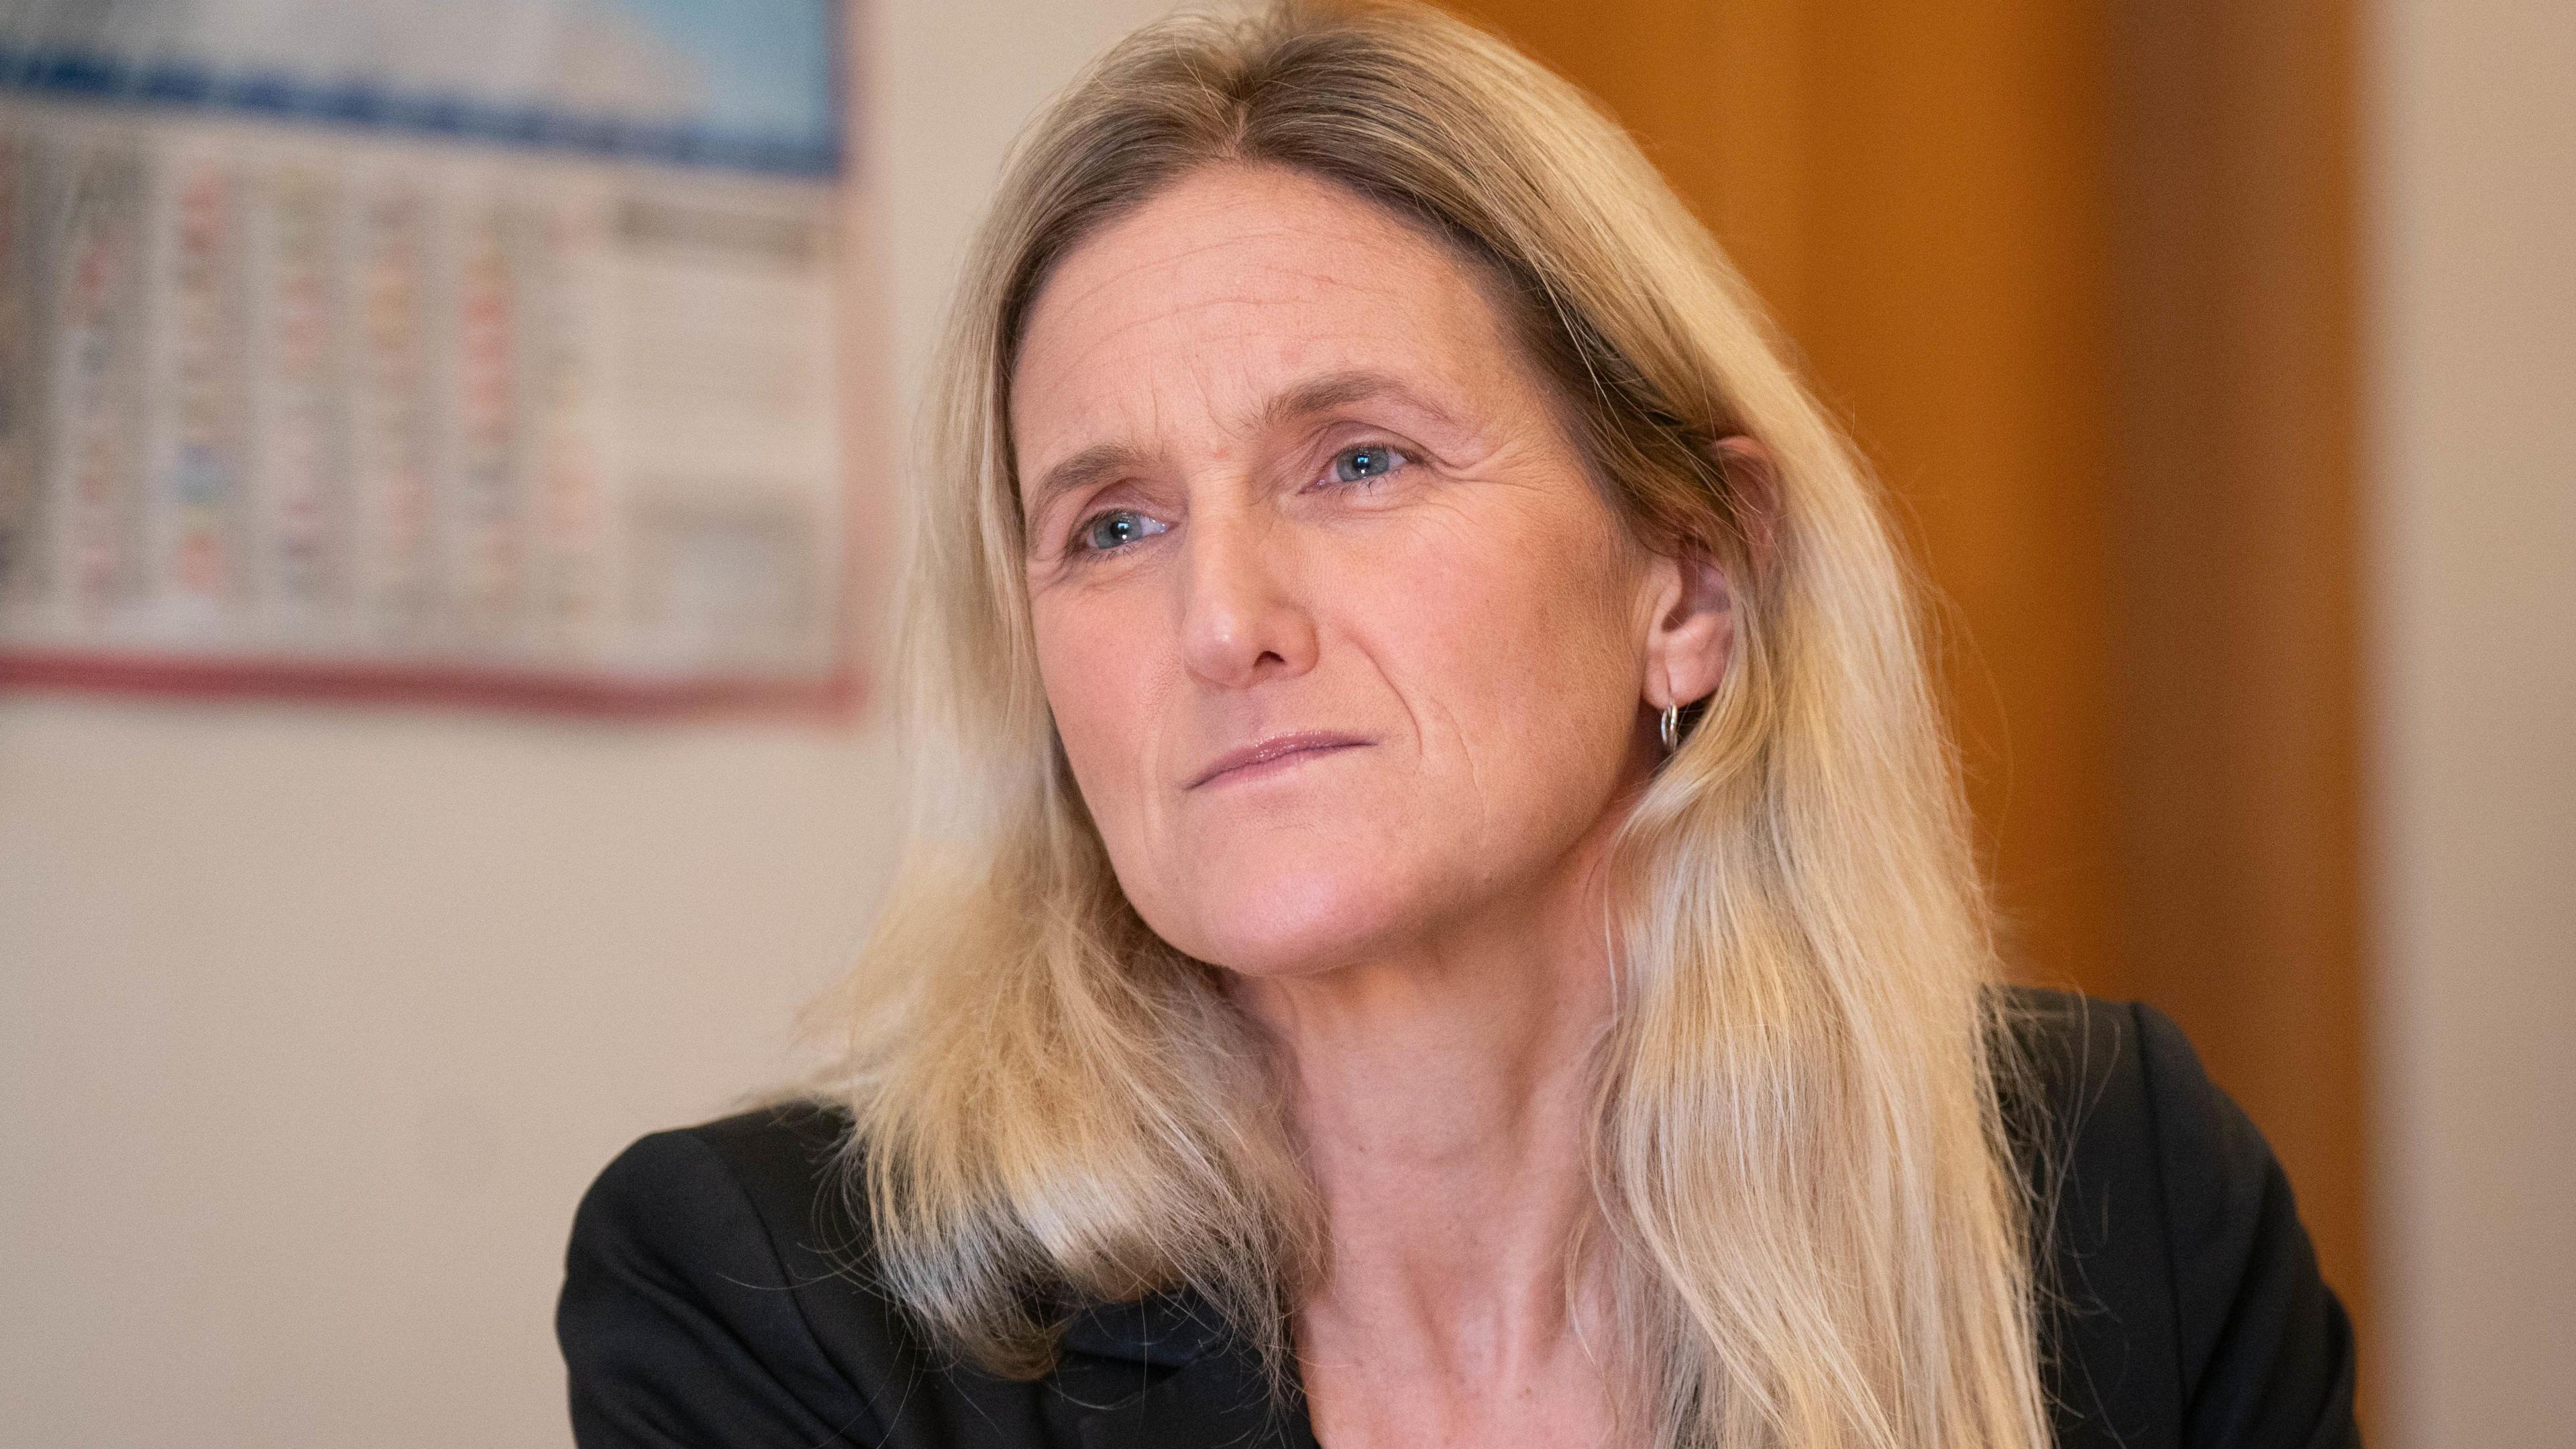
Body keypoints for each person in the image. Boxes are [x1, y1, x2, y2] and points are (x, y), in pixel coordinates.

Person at [555, 3, 2358, 1446]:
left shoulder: (2113, 1197)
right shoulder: (785, 1302)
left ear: (1690, 583)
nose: (1224, 623)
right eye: (1112, 522)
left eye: (1358, 462)